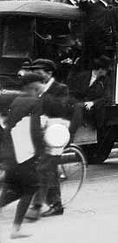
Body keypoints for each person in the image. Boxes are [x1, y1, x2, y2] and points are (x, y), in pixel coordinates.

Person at [0, 73, 49, 240]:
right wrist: (41, 151)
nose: (44, 85)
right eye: (42, 83)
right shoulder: (35, 102)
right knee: (31, 187)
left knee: (13, 188)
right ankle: (16, 229)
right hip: (24, 154)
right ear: (34, 86)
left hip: (10, 153)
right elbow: (35, 131)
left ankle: (16, 228)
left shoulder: (16, 101)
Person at [23, 59, 69, 221]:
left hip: (54, 133)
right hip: (38, 132)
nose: (35, 74)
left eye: (39, 71)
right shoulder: (35, 87)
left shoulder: (60, 89)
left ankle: (45, 205)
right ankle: (50, 203)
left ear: (49, 73)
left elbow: (60, 109)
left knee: (45, 168)